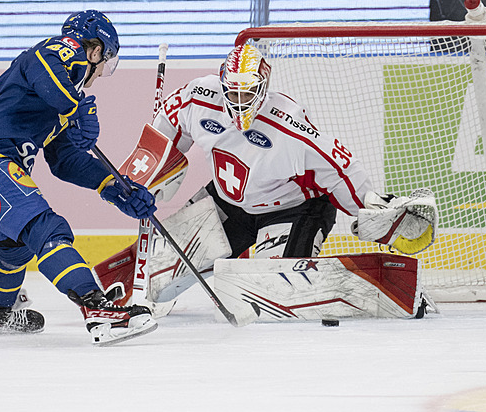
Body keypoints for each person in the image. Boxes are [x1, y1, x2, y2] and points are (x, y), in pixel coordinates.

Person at [144, 44, 437, 305]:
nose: (238, 100)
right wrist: (150, 172)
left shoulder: (289, 124)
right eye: (232, 91)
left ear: (263, 87)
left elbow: (340, 169)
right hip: (228, 204)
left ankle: (370, 286)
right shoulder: (199, 98)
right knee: (157, 276)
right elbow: (167, 126)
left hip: (293, 210)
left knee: (273, 295)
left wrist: (375, 211)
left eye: (247, 92)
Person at [0, 10, 158, 345]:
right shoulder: (58, 52)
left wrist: (114, 187)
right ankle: (97, 308)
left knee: (15, 243)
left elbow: (65, 161)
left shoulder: (59, 98)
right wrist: (76, 107)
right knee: (45, 228)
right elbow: (46, 70)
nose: (99, 75)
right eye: (105, 60)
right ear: (94, 50)